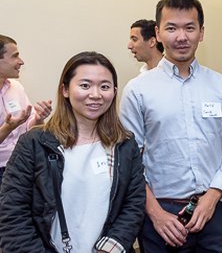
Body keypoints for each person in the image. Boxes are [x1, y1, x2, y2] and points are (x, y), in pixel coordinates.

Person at [120, 0, 222, 252]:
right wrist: (156, 214)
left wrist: (213, 196)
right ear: (158, 33)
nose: (181, 37)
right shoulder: (138, 90)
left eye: (190, 28)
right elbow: (128, 160)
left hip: (216, 209)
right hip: (162, 214)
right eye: (171, 28)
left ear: (201, 32)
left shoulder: (221, 85)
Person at [0, 51, 145, 252]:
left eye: (104, 86)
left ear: (114, 91)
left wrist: (110, 248)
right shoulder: (34, 144)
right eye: (85, 85)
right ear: (65, 90)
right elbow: (13, 214)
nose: (95, 94)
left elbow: (133, 204)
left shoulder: (124, 144)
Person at [0, 34, 52, 187]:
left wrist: (39, 118)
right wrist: (8, 128)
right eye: (15, 56)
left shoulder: (16, 87)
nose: (21, 62)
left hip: (21, 164)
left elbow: (29, 126)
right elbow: (13, 126)